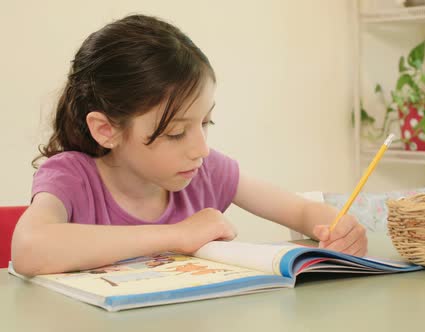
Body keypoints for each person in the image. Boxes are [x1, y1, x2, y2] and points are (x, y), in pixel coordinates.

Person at [11, 14, 367, 276]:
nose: (201, 148)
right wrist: (178, 235)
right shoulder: (72, 177)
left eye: (205, 122)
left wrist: (335, 225)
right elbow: (29, 249)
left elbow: (300, 212)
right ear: (106, 130)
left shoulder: (204, 171)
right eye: (176, 132)